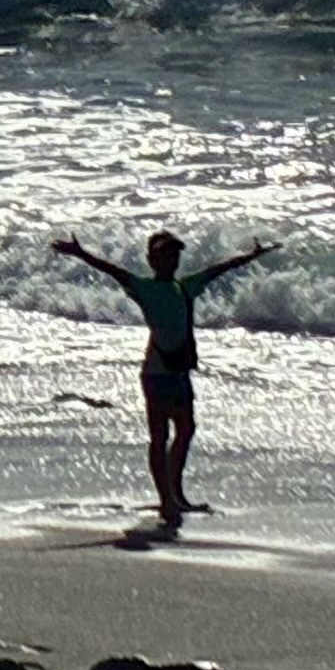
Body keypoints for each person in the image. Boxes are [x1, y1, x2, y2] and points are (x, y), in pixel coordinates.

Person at [50, 225, 271, 532]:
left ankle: (176, 494)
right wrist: (81, 253)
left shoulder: (185, 286)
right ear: (152, 260)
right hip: (155, 373)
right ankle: (167, 499)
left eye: (175, 254)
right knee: (159, 437)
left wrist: (250, 256)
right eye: (165, 254)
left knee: (186, 429)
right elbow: (112, 271)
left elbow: (217, 270)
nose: (172, 259)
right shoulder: (144, 287)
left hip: (179, 373)